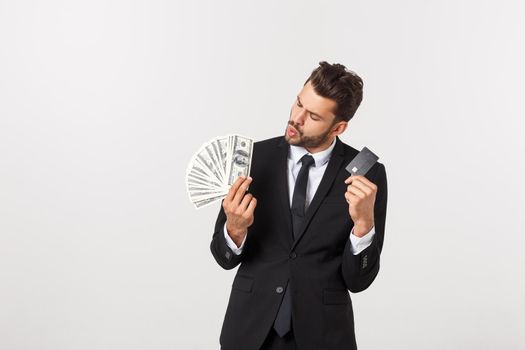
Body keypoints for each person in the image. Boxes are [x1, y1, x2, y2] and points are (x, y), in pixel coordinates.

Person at [210, 61, 388, 350]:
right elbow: (223, 258)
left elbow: (358, 281)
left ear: (339, 127)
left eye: (313, 116)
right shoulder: (252, 158)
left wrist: (364, 226)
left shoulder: (367, 173)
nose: (297, 118)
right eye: (298, 103)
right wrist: (235, 229)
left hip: (324, 335)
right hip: (249, 331)